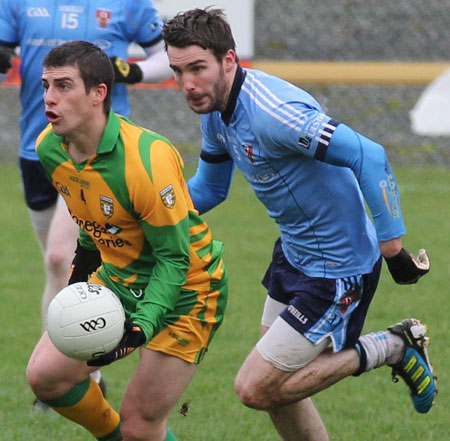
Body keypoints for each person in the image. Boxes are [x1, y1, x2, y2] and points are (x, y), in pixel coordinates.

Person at [162, 8, 436, 441]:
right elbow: (209, 190)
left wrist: (392, 247)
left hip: (339, 268)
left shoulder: (276, 114)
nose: (187, 84)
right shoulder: (215, 112)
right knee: (278, 390)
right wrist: (147, 208)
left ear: (228, 60)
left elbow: (370, 156)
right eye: (178, 72)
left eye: (198, 68)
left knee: (254, 388)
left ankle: (395, 346)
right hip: (295, 253)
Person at [26, 40, 228, 441]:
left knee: (142, 425)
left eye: (64, 86)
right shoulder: (50, 146)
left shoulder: (146, 161)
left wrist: (140, 329)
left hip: (188, 290)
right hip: (119, 279)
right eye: (46, 85)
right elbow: (92, 207)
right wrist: (84, 265)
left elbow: (174, 258)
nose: (49, 98)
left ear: (99, 93)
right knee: (45, 378)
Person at [0, 0, 172, 335]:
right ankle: (63, 376)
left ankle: (77, 372)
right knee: (57, 267)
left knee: (62, 258)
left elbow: (167, 54)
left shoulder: (128, 4)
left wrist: (135, 71)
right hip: (39, 151)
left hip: (95, 154)